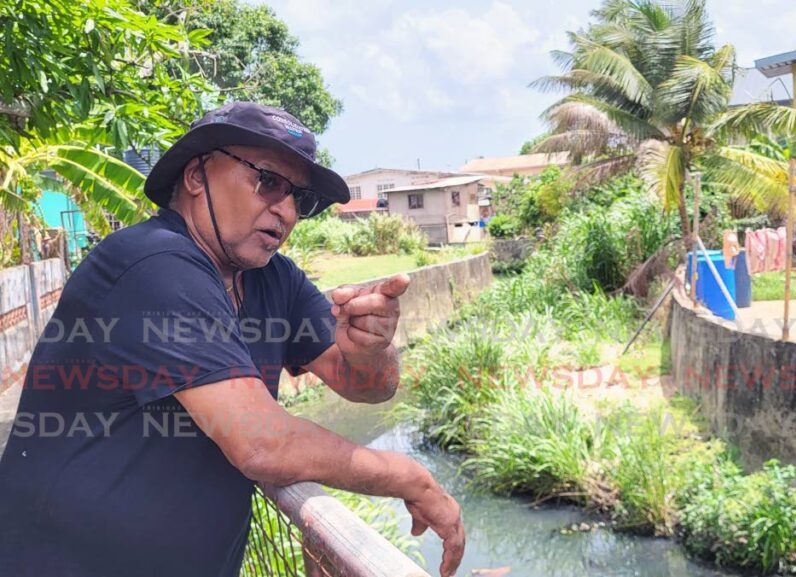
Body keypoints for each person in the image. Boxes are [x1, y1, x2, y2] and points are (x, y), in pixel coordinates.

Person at [0, 102, 464, 577]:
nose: (285, 209)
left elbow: (369, 387)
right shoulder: (153, 263)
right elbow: (262, 443)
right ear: (197, 176)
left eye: (299, 199)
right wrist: (410, 478)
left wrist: (372, 347)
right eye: (268, 181)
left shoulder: (273, 279)